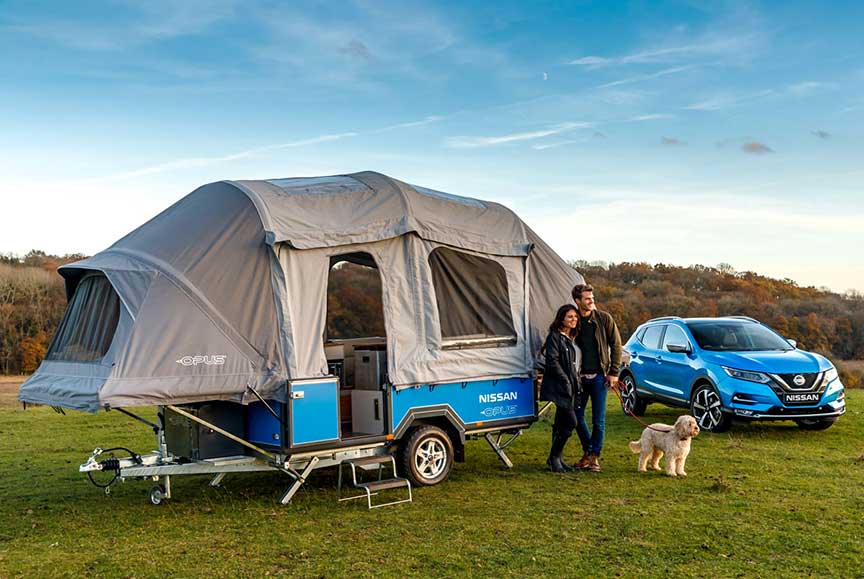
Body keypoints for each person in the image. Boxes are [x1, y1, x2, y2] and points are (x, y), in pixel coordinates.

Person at [571, 283, 622, 473]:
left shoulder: (603, 319)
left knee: (598, 420)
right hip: (578, 378)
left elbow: (616, 345)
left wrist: (614, 372)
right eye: (587, 299)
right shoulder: (572, 319)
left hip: (600, 377)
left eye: (592, 298)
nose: (591, 301)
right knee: (576, 415)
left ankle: (593, 458)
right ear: (577, 301)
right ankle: (588, 451)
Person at [539, 304, 582, 473]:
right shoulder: (554, 337)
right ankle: (554, 457)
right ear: (561, 318)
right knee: (571, 422)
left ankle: (556, 458)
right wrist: (565, 380)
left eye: (575, 317)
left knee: (560, 423)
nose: (574, 320)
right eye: (570, 317)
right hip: (560, 387)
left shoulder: (571, 337)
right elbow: (552, 361)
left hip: (571, 385)